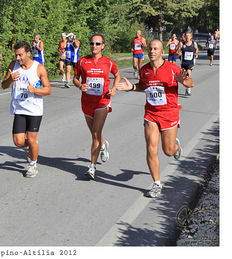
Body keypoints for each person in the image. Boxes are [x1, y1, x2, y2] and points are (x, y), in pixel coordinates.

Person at [116, 39, 194, 198]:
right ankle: (156, 183)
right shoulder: (144, 70)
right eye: (150, 49)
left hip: (169, 113)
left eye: (155, 49)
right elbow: (143, 86)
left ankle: (175, 147)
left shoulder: (172, 68)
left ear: (161, 51)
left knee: (168, 150)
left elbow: (190, 83)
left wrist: (183, 80)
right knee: (151, 147)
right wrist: (131, 87)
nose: (151, 51)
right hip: (151, 113)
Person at [73, 34, 121, 180]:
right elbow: (75, 78)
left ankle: (92, 167)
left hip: (102, 101)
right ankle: (102, 145)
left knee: (95, 134)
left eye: (98, 44)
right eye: (92, 43)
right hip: (87, 102)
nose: (94, 46)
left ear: (103, 46)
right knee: (95, 133)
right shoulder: (83, 61)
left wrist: (114, 89)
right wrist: (80, 85)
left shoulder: (108, 62)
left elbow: (117, 75)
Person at [1, 41, 51, 178]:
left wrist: (34, 90)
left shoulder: (39, 68)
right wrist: (10, 80)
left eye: (20, 55)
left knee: (31, 139)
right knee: (18, 142)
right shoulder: (13, 66)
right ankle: (32, 146)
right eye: (16, 55)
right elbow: (3, 86)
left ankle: (33, 165)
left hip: (34, 110)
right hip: (19, 108)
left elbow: (48, 90)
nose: (18, 58)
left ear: (28, 53)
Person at [177, 31, 198, 96]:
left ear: (191, 37)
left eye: (188, 36)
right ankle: (187, 87)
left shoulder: (194, 43)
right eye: (186, 36)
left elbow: (196, 49)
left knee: (188, 74)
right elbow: (178, 51)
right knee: (184, 76)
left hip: (191, 62)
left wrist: (196, 53)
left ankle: (188, 90)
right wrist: (179, 53)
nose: (187, 37)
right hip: (183, 63)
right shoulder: (182, 44)